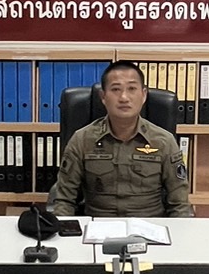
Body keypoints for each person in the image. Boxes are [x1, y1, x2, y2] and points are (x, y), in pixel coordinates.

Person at [50, 61, 193, 218]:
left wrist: (178, 232)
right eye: (116, 89)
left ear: (143, 95)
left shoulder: (164, 141)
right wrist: (65, 230)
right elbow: (64, 201)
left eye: (131, 89)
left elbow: (179, 204)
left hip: (150, 226)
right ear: (103, 97)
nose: (124, 97)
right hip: (98, 226)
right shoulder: (82, 139)